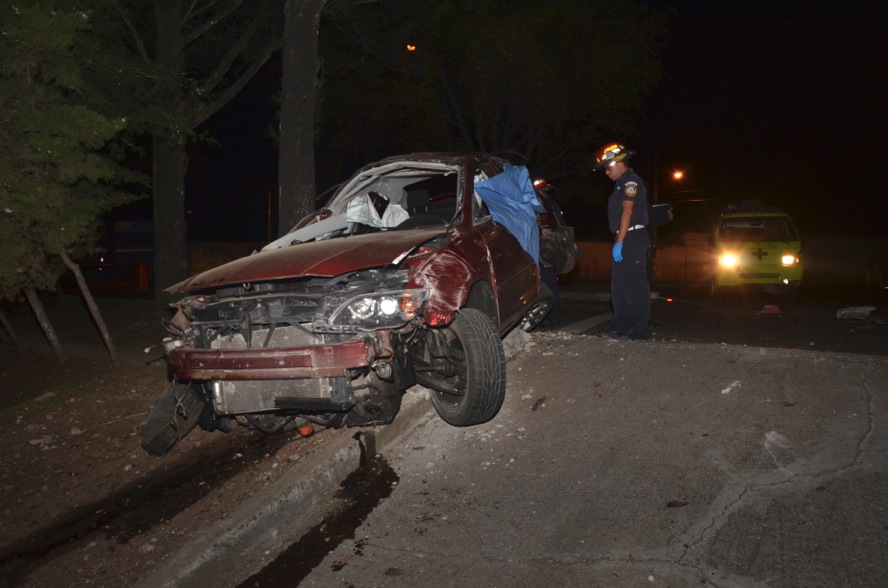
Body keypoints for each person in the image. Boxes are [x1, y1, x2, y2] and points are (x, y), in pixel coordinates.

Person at [593, 142, 651, 339]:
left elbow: (627, 212)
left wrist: (620, 242)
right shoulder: (620, 184)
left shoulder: (630, 182)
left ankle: (640, 329)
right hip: (625, 236)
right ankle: (621, 326)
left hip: (632, 238)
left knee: (635, 284)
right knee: (619, 285)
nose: (606, 173)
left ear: (618, 163)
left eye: (607, 168)